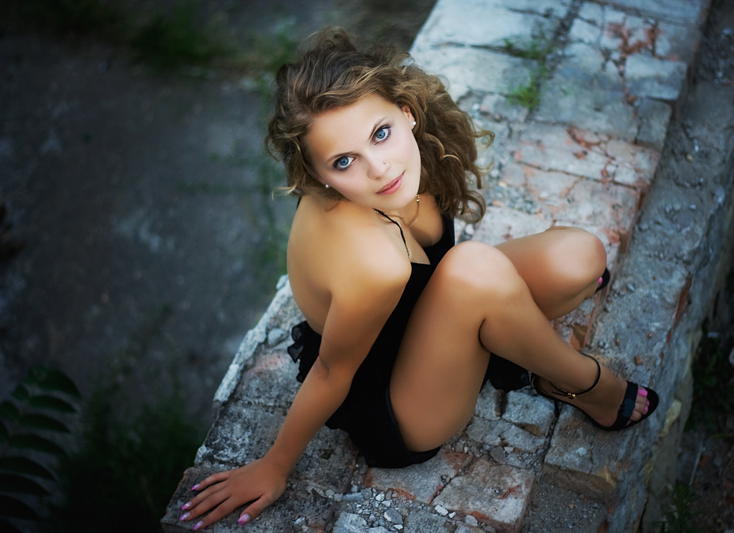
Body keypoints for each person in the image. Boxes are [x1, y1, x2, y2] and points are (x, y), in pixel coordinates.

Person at [178, 28, 659, 530]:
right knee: (475, 265)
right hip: (401, 403)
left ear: (405, 110)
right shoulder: (373, 261)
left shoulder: (413, 156)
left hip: (440, 308)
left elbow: (445, 258)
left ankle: (501, 331)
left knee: (580, 258)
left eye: (380, 133)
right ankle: (586, 385)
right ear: (319, 176)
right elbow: (330, 372)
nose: (379, 167)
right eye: (344, 162)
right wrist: (274, 465)